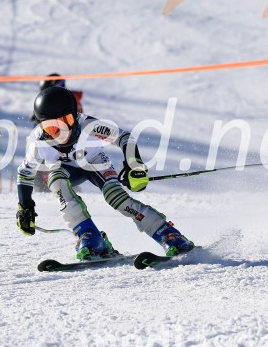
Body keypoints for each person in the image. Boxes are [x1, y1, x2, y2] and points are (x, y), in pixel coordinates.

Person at [15, 86, 196, 261]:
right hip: (64, 170)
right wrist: (25, 207)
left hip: (95, 164)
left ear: (75, 116)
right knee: (56, 180)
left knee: (117, 198)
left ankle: (167, 233)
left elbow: (124, 138)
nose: (60, 134)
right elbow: (25, 173)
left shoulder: (89, 125)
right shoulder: (37, 143)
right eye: (51, 128)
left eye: (66, 122)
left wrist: (134, 165)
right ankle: (90, 237)